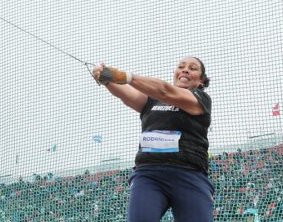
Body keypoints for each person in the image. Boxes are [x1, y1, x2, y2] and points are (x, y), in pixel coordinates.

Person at [92, 57, 214, 222]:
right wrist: (105, 78)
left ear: (201, 81)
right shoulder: (151, 101)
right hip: (149, 175)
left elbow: (165, 90)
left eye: (192, 68)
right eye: (181, 66)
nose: (185, 70)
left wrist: (125, 76)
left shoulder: (200, 99)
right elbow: (128, 96)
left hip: (189, 175)